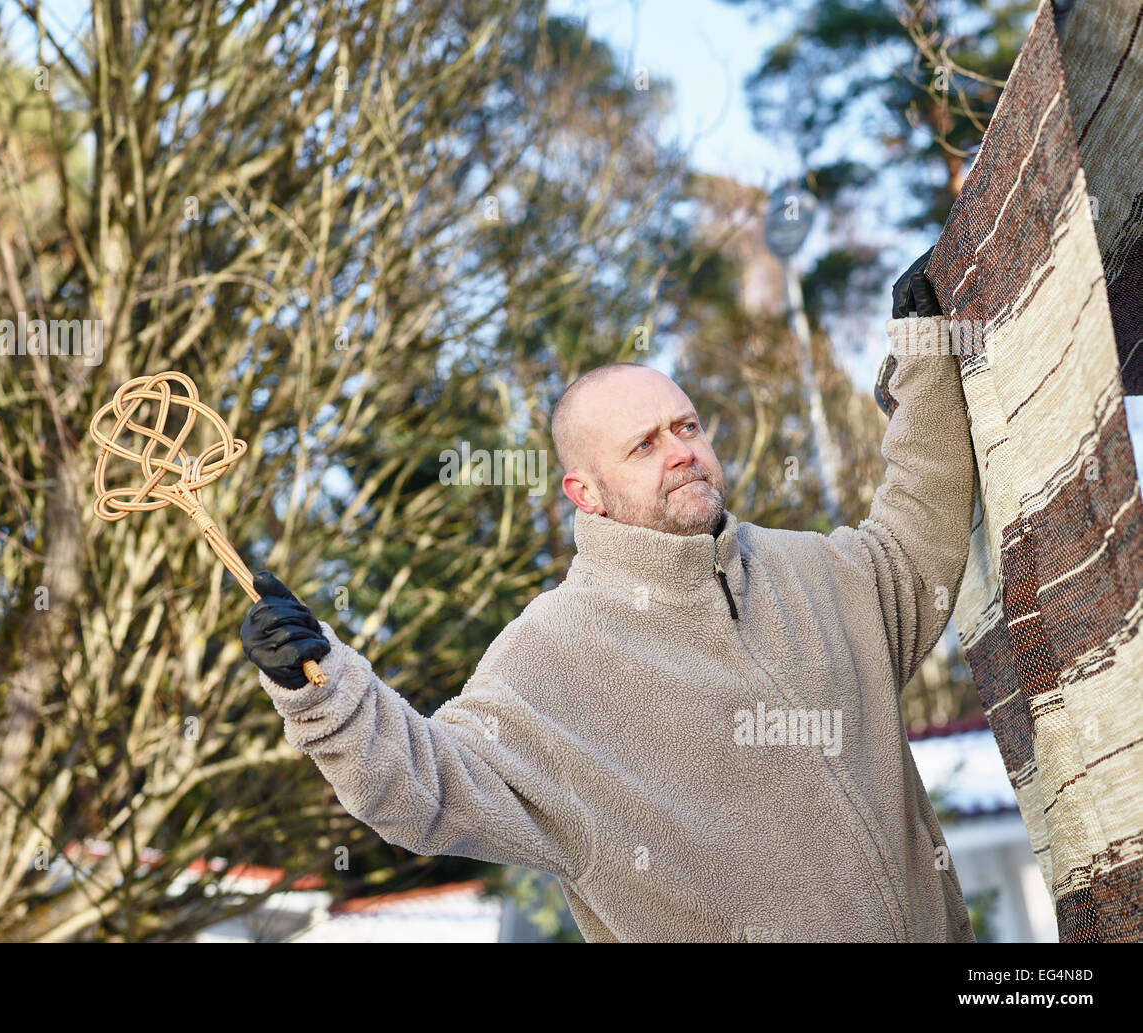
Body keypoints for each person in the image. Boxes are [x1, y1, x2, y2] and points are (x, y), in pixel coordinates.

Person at [241, 249, 978, 942]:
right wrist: (321, 693)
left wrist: (925, 367)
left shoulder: (814, 572)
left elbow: (920, 530)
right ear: (583, 491)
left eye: (686, 426)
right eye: (644, 444)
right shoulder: (553, 656)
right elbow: (425, 787)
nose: (682, 450)